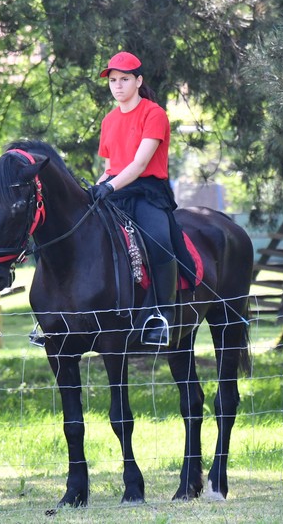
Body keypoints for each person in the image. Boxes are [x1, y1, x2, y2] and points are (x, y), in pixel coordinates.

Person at [89, 51, 178, 346]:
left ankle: (163, 315)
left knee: (159, 240)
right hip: (116, 190)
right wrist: (94, 189)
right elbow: (109, 168)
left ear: (138, 81)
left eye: (124, 79)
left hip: (148, 192)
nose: (118, 86)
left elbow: (139, 165)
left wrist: (110, 186)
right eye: (113, 80)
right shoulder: (108, 121)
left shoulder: (154, 114)